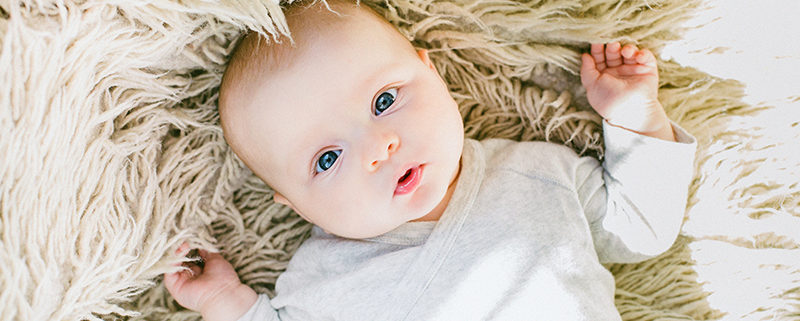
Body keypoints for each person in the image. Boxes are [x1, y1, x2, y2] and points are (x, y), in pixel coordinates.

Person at [163, 0, 697, 320]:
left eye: (384, 101)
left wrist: (634, 120)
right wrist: (228, 303)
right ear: (293, 203)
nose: (379, 148)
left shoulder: (538, 174)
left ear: (433, 71)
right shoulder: (323, 280)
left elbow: (639, 230)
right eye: (327, 159)